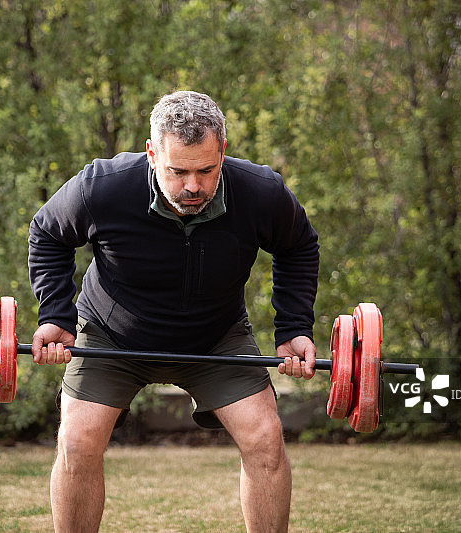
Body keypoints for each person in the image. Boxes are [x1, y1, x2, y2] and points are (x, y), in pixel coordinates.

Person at [28, 90, 320, 532]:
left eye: (206, 170)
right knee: (77, 440)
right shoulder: (103, 186)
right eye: (177, 170)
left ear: (222, 150)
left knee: (265, 438)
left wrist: (295, 327)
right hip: (112, 334)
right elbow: (47, 232)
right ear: (151, 153)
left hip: (216, 337)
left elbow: (298, 246)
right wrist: (55, 317)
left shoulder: (261, 192)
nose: (193, 186)